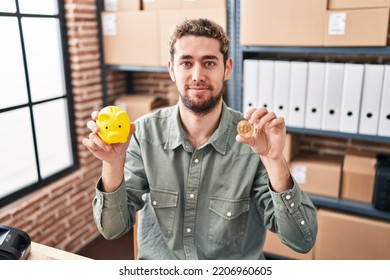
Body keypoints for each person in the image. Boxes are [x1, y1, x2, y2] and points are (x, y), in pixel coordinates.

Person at [82, 18, 318, 260]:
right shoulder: (143, 135)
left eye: (209, 62)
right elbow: (112, 230)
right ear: (172, 69)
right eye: (186, 62)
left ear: (226, 68)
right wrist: (112, 165)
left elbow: (302, 240)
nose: (197, 75)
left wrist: (275, 161)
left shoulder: (255, 142)